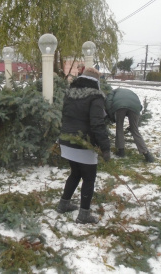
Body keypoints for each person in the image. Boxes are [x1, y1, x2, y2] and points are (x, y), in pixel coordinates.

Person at [57, 67, 110, 224]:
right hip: (84, 143)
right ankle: (84, 215)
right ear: (96, 82)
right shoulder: (96, 97)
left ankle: (63, 205)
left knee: (75, 173)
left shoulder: (69, 94)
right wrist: (105, 147)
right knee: (89, 178)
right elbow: (97, 123)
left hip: (67, 140)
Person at [105, 88, 154, 163]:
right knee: (135, 130)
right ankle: (146, 154)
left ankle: (121, 151)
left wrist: (111, 116)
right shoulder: (131, 92)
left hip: (120, 107)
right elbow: (139, 104)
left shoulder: (113, 91)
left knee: (119, 128)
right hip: (135, 107)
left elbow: (108, 102)